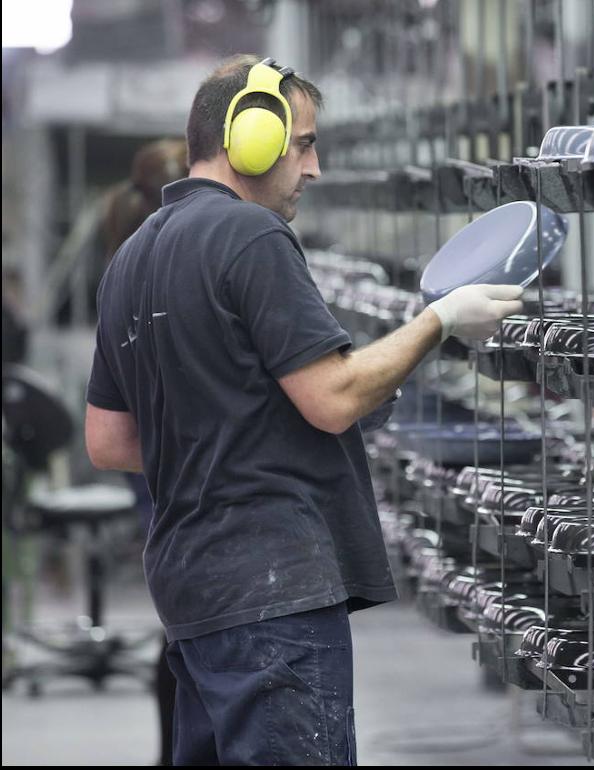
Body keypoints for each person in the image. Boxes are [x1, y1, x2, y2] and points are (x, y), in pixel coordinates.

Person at [82, 54, 521, 765]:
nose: (313, 168)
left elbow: (108, 439)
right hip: (271, 587)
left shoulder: (132, 256)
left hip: (191, 588)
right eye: (305, 143)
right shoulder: (250, 235)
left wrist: (235, 432)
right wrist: (438, 322)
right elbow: (331, 397)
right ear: (248, 136)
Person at [98, 136, 188, 767]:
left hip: (152, 461)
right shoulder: (161, 259)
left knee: (182, 622)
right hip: (171, 466)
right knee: (191, 629)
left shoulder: (125, 261)